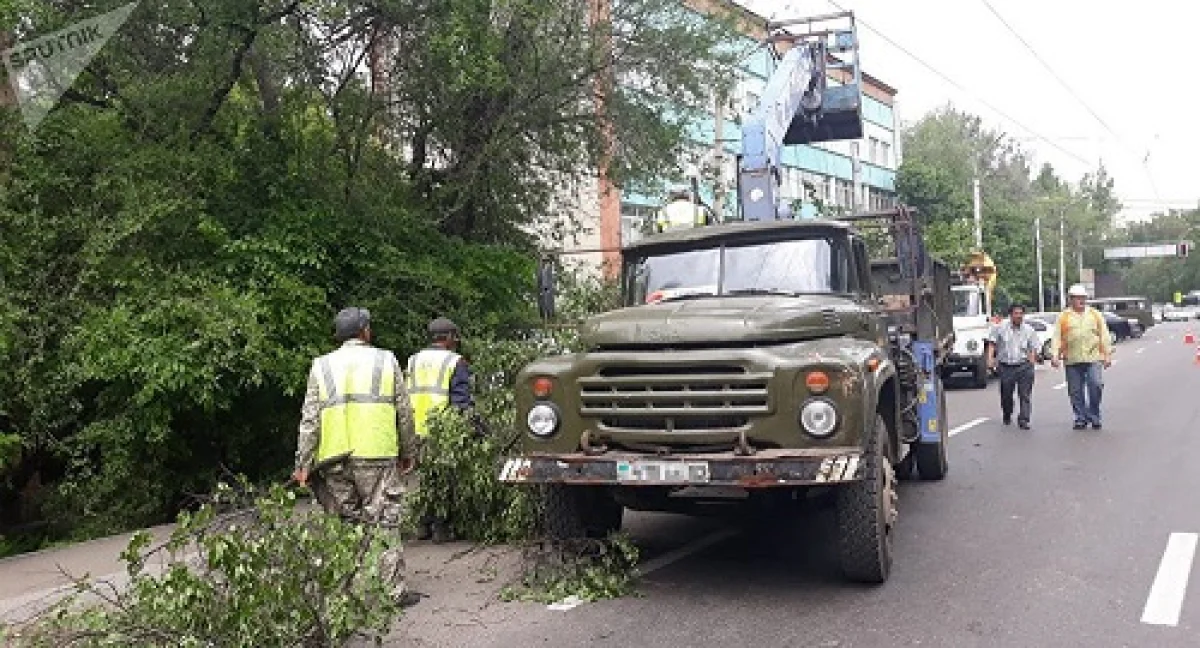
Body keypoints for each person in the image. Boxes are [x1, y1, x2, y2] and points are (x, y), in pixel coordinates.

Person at [292, 306, 422, 607]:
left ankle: (347, 595)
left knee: (344, 524)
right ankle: (392, 593)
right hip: (376, 453)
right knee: (384, 520)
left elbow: (310, 419)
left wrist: (303, 464)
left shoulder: (321, 366)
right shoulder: (386, 360)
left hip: (334, 459)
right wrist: (408, 450)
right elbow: (404, 411)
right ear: (365, 331)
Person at [406, 317, 474, 543]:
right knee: (445, 480)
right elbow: (460, 401)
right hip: (443, 430)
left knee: (425, 479)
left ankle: (423, 526)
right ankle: (441, 528)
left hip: (416, 428)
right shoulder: (455, 361)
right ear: (450, 337)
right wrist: (470, 426)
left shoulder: (413, 360)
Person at [1050, 284, 1113, 430]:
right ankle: (1080, 417)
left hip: (1093, 358)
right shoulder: (1064, 317)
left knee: (1096, 384)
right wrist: (1054, 355)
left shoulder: (1095, 315)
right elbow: (1056, 337)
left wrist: (1107, 355)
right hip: (1072, 359)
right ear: (1071, 299)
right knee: (1075, 391)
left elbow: (1104, 335)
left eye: (1083, 298)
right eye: (1078, 298)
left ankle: (1094, 415)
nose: (1081, 301)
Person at [985, 303, 1040, 429]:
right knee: (1006, 394)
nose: (1019, 316)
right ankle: (1007, 413)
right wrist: (990, 359)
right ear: (1010, 315)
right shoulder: (1000, 328)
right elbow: (992, 344)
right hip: (1006, 366)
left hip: (1024, 366)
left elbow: (1034, 347)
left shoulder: (1029, 330)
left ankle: (1024, 419)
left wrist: (1032, 359)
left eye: (1021, 314)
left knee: (1025, 394)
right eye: (1016, 313)